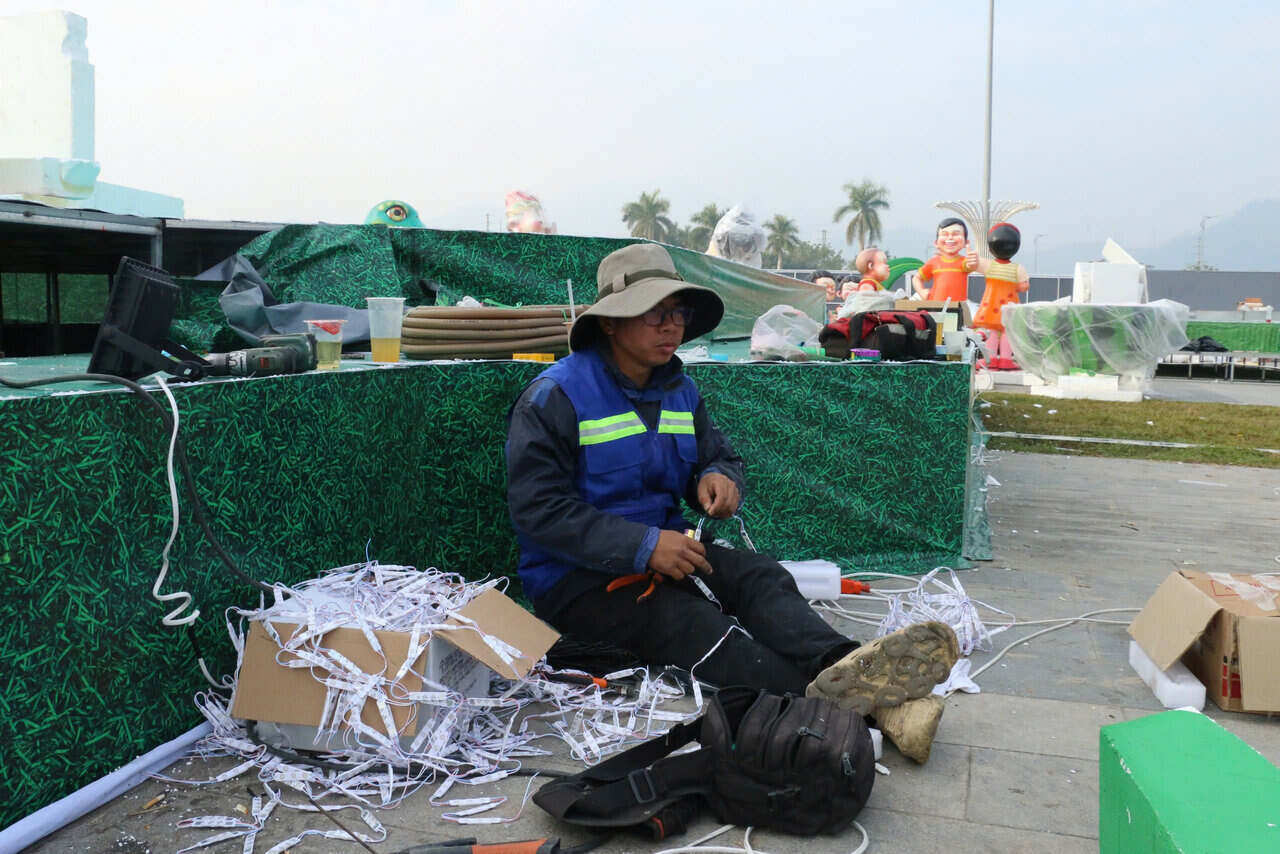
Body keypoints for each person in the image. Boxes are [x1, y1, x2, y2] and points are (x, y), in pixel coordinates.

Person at [505, 243, 959, 762]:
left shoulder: (679, 389)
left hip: (670, 555)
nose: (670, 326)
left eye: (677, 313)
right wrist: (644, 545)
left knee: (760, 577)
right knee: (695, 626)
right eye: (654, 313)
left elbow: (716, 454)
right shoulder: (554, 397)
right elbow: (538, 511)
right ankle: (873, 708)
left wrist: (716, 476)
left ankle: (852, 665)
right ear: (611, 323)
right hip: (577, 583)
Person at [972, 222, 1030, 370]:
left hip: (991, 306)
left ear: (991, 248)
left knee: (993, 333)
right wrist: (1015, 286)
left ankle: (990, 359)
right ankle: (1005, 359)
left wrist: (970, 255)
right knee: (1007, 333)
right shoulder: (1018, 268)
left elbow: (972, 264)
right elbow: (1025, 286)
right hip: (1009, 307)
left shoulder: (989, 265)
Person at [913, 218, 978, 302]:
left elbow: (969, 266)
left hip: (956, 307)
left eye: (955, 234)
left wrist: (972, 262)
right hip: (935, 306)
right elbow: (916, 278)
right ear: (936, 243)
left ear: (966, 242)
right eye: (945, 234)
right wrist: (921, 291)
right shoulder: (933, 262)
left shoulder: (963, 262)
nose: (950, 238)